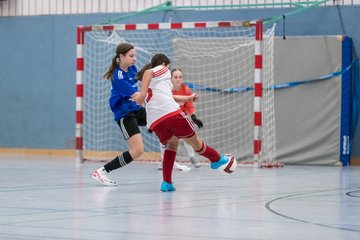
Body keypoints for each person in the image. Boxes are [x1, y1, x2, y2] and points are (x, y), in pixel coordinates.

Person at [131, 53, 234, 192]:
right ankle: (217, 160)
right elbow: (149, 72)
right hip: (170, 114)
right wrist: (142, 94)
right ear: (165, 65)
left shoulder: (157, 83)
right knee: (195, 141)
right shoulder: (163, 70)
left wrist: (188, 99)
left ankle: (166, 183)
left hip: (155, 121)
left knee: (172, 144)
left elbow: (170, 96)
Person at [91, 43, 146, 187]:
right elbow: (139, 96)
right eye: (131, 56)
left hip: (135, 109)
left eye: (135, 56)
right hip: (125, 114)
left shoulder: (131, 68)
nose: (134, 59)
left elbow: (138, 78)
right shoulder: (118, 77)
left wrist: (153, 69)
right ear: (121, 57)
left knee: (160, 121)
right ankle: (102, 171)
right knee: (137, 150)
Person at [157, 68, 203, 170]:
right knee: (163, 140)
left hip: (181, 117)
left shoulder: (185, 89)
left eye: (180, 77)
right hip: (168, 118)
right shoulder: (167, 90)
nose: (178, 79)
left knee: (188, 136)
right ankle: (163, 160)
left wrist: (194, 117)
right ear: (171, 79)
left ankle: (192, 157)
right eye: (176, 77)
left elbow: (189, 104)